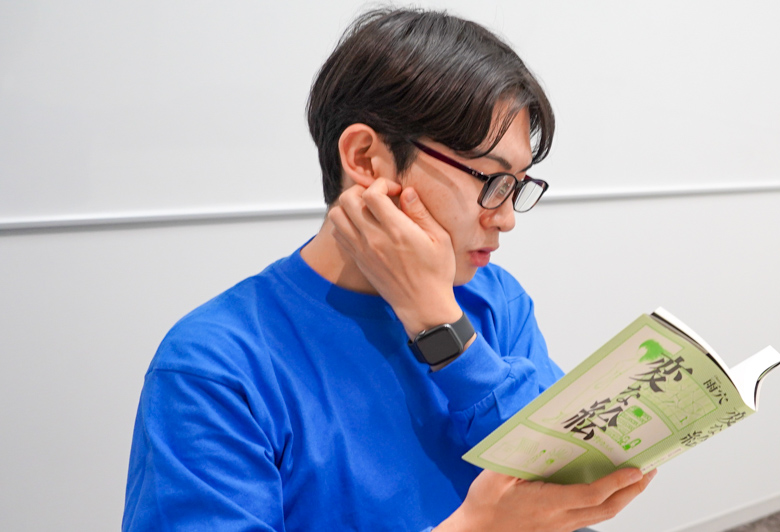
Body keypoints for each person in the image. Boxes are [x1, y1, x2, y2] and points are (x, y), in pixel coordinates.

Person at [123, 7, 655, 531]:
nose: (506, 218)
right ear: (365, 159)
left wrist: (442, 326)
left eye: (517, 186)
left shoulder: (496, 301)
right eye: (491, 180)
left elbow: (575, 477)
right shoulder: (215, 365)